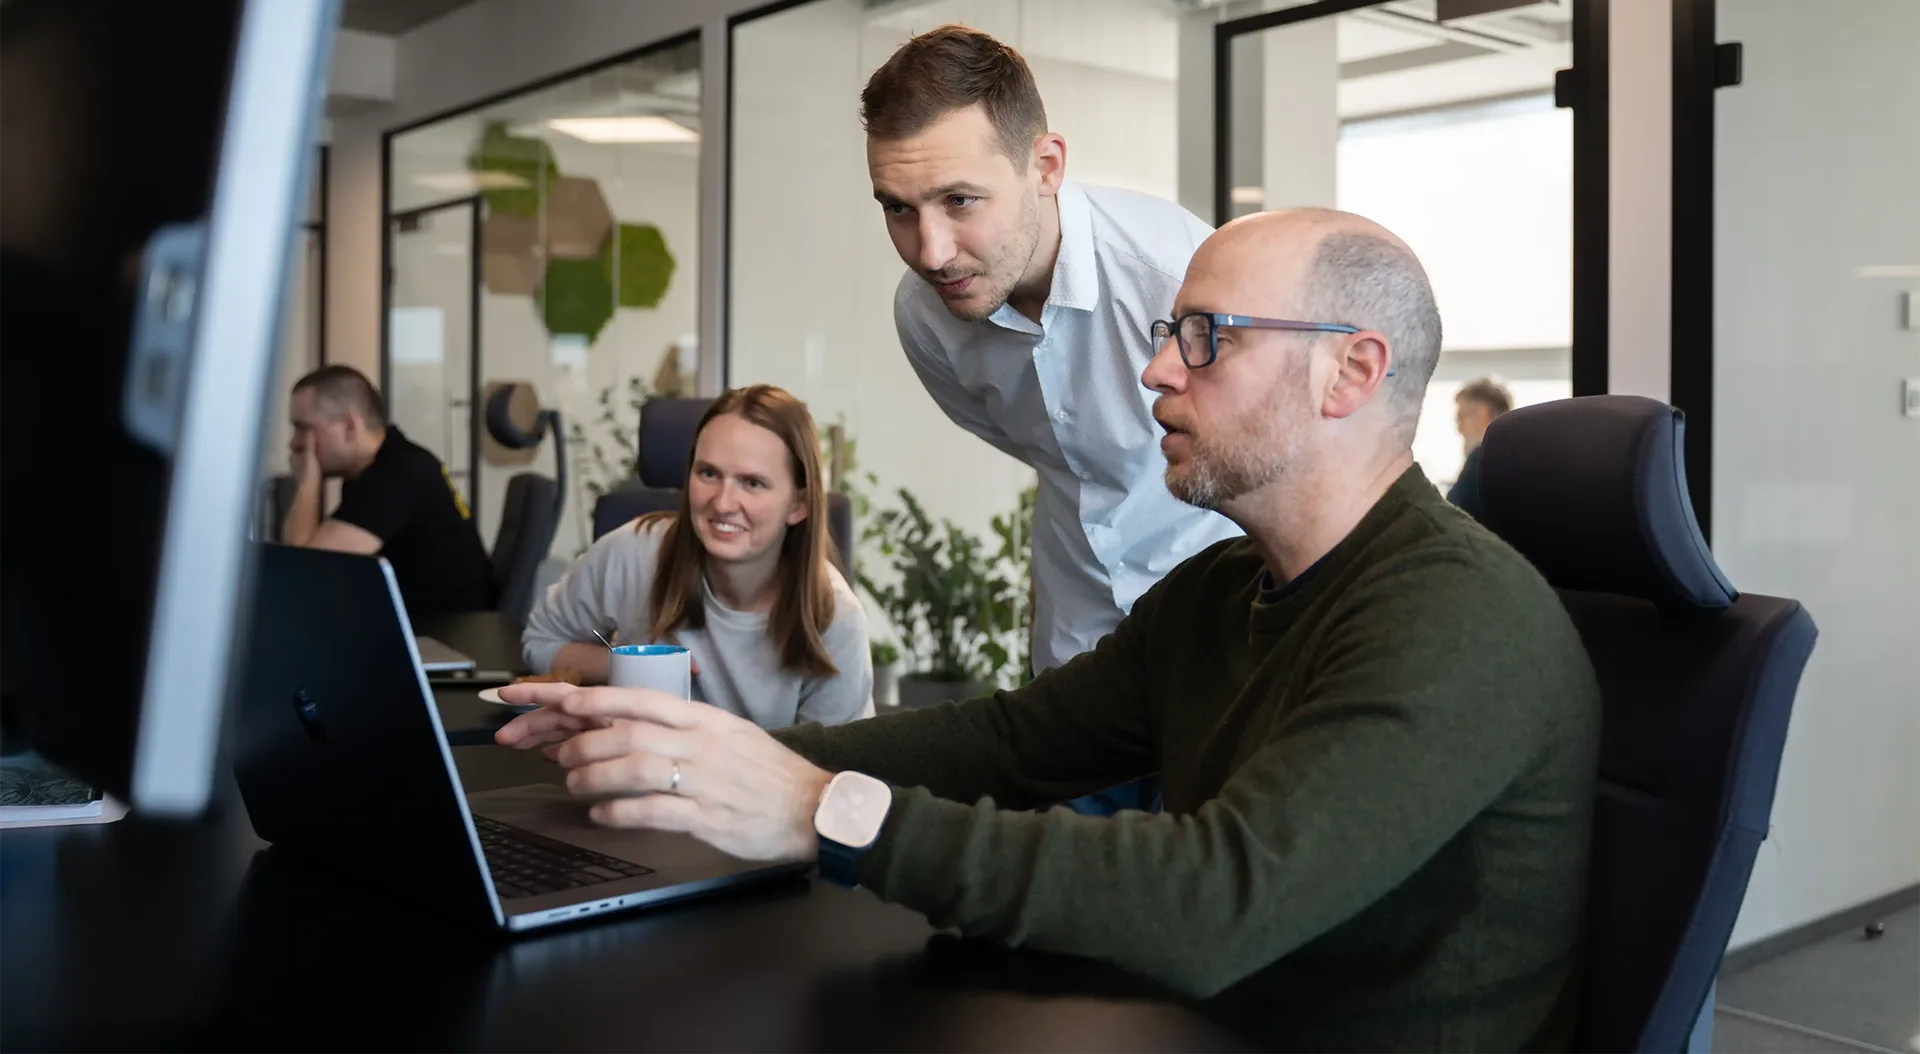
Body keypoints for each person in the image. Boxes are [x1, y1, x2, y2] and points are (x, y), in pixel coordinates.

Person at [494, 209, 1602, 1052]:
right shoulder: (1224, 591)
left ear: (1351, 372)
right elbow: (1006, 745)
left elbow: (1215, 899)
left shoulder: (1457, 615)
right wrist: (697, 757)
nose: (1158, 368)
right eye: (1171, 331)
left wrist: (818, 811)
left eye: (1206, 338)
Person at [865, 24, 1239, 811]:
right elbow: (1038, 450)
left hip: (1227, 656)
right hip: (1077, 664)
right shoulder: (926, 319)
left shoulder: (1177, 274)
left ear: (1046, 166)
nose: (931, 251)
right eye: (899, 210)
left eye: (960, 201)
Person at [521, 385, 873, 728]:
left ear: (798, 505)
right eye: (708, 473)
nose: (722, 503)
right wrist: (630, 667)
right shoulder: (634, 552)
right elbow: (541, 640)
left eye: (752, 483)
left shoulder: (837, 619)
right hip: (638, 779)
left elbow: (833, 775)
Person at [283, 365, 495, 619]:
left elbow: (302, 571)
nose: (295, 444)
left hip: (446, 635)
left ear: (350, 426)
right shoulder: (386, 464)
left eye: (304, 428)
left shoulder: (396, 474)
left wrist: (308, 480)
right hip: (429, 625)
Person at [1447, 377, 1515, 522]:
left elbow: (1451, 519)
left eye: (1460, 418)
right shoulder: (1522, 458)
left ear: (1481, 414)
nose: (1459, 429)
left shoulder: (1481, 461)